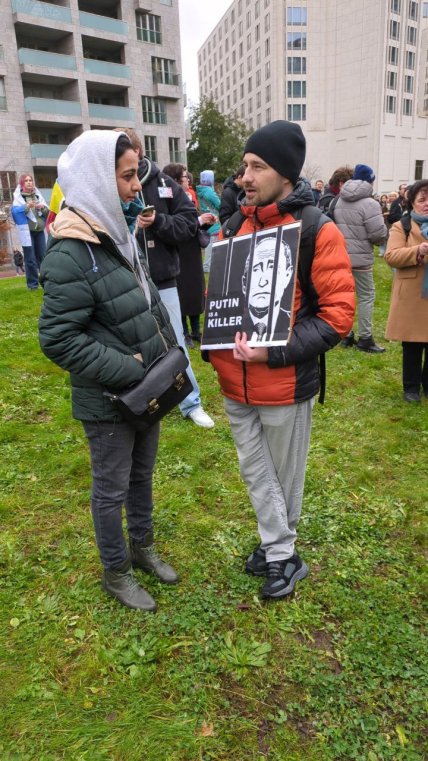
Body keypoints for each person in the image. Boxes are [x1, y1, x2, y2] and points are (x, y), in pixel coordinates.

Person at [207, 120, 355, 599]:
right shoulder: (234, 225)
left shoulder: (316, 230)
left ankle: (278, 552)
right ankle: (280, 551)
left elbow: (337, 317)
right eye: (244, 166)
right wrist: (214, 346)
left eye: (257, 167)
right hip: (235, 383)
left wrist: (276, 351)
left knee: (281, 478)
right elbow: (220, 301)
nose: (244, 177)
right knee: (257, 471)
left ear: (286, 175)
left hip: (284, 383)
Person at [39, 130, 180, 612]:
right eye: (124, 176)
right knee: (111, 489)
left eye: (135, 175)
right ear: (97, 178)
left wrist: (166, 351)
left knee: (143, 476)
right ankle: (116, 572)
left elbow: (144, 300)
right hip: (109, 400)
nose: (134, 187)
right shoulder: (70, 253)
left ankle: (142, 549)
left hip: (148, 388)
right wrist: (129, 367)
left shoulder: (119, 234)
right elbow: (57, 338)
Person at [116, 128, 214, 429]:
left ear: (139, 152)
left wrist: (158, 221)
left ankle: (191, 402)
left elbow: (188, 224)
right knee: (128, 346)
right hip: (122, 280)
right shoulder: (109, 183)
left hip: (163, 278)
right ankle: (141, 400)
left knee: (174, 340)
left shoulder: (165, 184)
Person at [334, 164, 387, 352]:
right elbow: (378, 234)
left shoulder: (340, 200)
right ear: (370, 181)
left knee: (346, 297)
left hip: (342, 257)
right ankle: (365, 338)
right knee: (366, 296)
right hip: (361, 259)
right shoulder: (371, 203)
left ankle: (347, 336)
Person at [384, 180, 428, 402]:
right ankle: (411, 388)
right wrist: (417, 251)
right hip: (412, 294)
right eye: (422, 199)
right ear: (412, 203)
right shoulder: (402, 226)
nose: (427, 204)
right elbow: (391, 256)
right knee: (412, 343)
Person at [162, 162, 214, 348]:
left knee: (195, 290)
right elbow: (176, 224)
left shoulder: (187, 196)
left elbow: (192, 220)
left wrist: (203, 222)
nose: (188, 180)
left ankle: (195, 331)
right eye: (185, 177)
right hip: (180, 251)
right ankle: (183, 332)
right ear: (176, 180)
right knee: (183, 291)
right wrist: (198, 220)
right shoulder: (168, 198)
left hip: (192, 250)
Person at [241, 236, 294, 342]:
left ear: (287, 275)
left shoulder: (296, 326)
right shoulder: (226, 329)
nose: (262, 282)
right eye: (256, 270)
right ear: (244, 283)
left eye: (272, 268)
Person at [11, 174, 48, 290]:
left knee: (43, 257)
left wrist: (42, 208)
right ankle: (33, 285)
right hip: (27, 233)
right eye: (26, 181)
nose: (29, 182)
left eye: (30, 180)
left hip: (40, 232)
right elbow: (15, 212)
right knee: (30, 259)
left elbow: (47, 213)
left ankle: (46, 283)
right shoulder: (19, 198)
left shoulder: (38, 196)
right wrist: (27, 207)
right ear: (22, 184)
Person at [196, 170, 221, 273]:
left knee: (210, 242)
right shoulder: (209, 191)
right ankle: (207, 266)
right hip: (213, 219)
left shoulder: (201, 190)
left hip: (206, 216)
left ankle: (208, 265)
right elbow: (219, 204)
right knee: (211, 243)